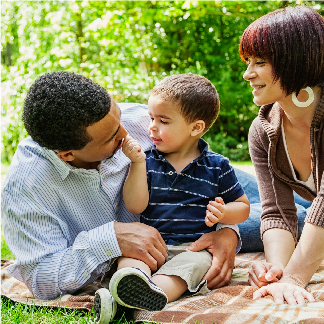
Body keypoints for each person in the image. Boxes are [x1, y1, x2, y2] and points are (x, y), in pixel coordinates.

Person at [1, 71, 243, 302]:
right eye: (112, 138)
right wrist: (109, 238)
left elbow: (222, 188)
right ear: (67, 154)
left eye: (119, 119)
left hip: (199, 203)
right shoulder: (26, 188)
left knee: (267, 215)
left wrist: (228, 231)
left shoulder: (142, 120)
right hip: (153, 245)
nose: (128, 133)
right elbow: (41, 279)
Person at [94, 74, 250, 318]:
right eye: (151, 118)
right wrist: (137, 164)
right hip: (152, 244)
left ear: (195, 127)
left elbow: (243, 206)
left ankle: (135, 298)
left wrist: (225, 213)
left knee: (193, 268)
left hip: (192, 248)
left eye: (163, 121)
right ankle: (131, 288)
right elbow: (135, 206)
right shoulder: (148, 160)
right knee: (130, 261)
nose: (151, 127)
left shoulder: (217, 166)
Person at [240, 5, 324, 305]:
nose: (248, 73)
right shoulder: (263, 130)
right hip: (310, 202)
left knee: (238, 223)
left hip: (317, 204)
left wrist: (295, 277)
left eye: (260, 62)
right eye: (248, 61)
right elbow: (276, 210)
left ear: (296, 60)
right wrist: (277, 270)